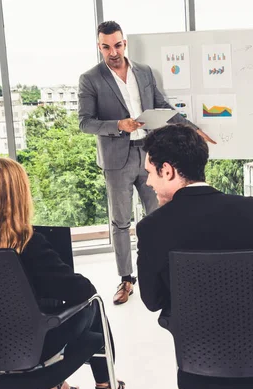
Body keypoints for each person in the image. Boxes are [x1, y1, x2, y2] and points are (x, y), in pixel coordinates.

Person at [0, 158, 125, 389]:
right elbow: (82, 291)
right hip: (26, 351)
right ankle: (106, 384)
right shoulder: (27, 242)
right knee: (94, 306)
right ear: (18, 195)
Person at [78, 21, 216, 305]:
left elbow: (163, 108)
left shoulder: (144, 72)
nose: (113, 52)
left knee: (158, 216)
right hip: (116, 158)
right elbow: (85, 123)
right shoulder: (90, 79)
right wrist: (119, 124)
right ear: (99, 46)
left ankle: (162, 273)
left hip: (150, 154)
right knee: (120, 221)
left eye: (117, 45)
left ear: (124, 43)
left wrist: (191, 128)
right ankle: (126, 279)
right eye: (106, 47)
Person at [135, 123, 253, 314]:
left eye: (149, 172)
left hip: (199, 341)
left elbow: (153, 301)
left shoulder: (151, 228)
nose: (148, 182)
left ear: (167, 171)